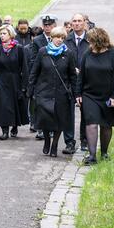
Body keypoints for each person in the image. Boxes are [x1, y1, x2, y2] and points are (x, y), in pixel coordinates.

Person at [77, 28, 114, 165]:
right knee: (91, 123)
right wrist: (78, 94)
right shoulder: (88, 54)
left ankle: (104, 152)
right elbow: (81, 76)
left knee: (106, 125)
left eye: (91, 41)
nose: (89, 43)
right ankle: (92, 156)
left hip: (109, 96)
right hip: (90, 95)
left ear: (98, 41)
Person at [27, 27, 78, 157]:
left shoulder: (68, 54)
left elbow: (72, 75)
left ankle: (55, 144)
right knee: (45, 118)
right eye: (57, 37)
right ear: (51, 37)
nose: (60, 40)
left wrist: (76, 94)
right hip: (43, 91)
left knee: (59, 120)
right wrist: (30, 89)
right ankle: (47, 140)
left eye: (62, 38)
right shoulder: (43, 51)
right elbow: (34, 71)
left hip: (61, 93)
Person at [0, 24, 28, 140]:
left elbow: (24, 67)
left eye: (4, 33)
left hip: (15, 80)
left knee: (15, 103)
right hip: (1, 80)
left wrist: (24, 85)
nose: (2, 36)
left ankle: (15, 126)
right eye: (0, 34)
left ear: (10, 34)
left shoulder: (19, 48)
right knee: (3, 105)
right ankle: (4, 130)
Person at [30, 14, 58, 139]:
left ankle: (52, 127)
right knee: (40, 104)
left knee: (53, 105)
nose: (47, 27)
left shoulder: (59, 38)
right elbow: (33, 60)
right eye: (45, 25)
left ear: (54, 25)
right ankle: (40, 128)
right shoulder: (37, 40)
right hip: (42, 77)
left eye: (50, 25)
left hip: (56, 77)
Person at [66, 13, 90, 152]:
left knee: (86, 113)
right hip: (69, 82)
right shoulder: (66, 39)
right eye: (74, 21)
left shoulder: (90, 40)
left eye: (79, 21)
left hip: (86, 83)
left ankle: (85, 140)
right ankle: (69, 142)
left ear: (84, 23)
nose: (76, 23)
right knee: (68, 114)